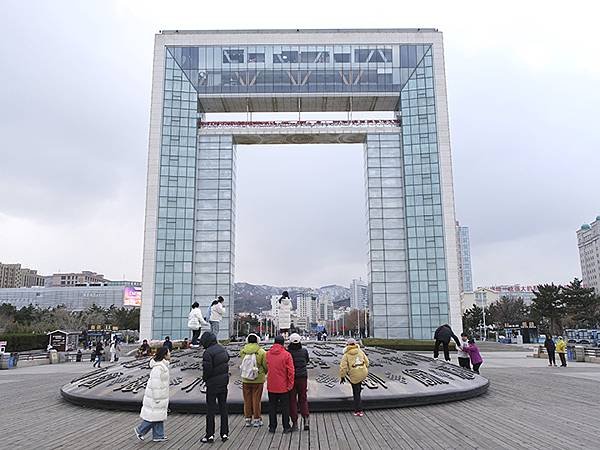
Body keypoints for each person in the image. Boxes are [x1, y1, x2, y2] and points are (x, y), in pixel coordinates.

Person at [134, 347, 170, 442]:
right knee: (153, 416)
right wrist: (157, 397)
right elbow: (155, 383)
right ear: (164, 354)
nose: (170, 354)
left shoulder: (163, 365)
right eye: (168, 353)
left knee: (159, 416)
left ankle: (158, 435)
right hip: (156, 396)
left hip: (161, 395)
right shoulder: (158, 367)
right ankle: (140, 430)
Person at [200, 331, 230, 443]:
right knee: (223, 409)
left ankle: (210, 435)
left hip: (212, 385)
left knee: (210, 410)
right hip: (223, 384)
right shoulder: (223, 349)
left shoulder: (208, 353)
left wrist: (205, 379)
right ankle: (225, 434)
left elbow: (207, 370)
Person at [266, 335, 295, 433]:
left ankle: (272, 427)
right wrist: (290, 384)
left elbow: (267, 367)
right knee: (285, 407)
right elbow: (291, 371)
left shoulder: (268, 354)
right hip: (283, 386)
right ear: (283, 343)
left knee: (272, 407)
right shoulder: (286, 355)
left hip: (271, 385)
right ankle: (286, 427)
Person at [239, 333, 268, 427]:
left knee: (247, 400)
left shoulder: (243, 351)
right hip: (258, 379)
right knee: (256, 400)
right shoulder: (262, 352)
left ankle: (247, 419)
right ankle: (257, 419)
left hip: (246, 379)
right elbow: (265, 366)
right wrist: (263, 372)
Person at [339, 338, 369, 417]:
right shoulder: (360, 351)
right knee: (358, 389)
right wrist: (363, 368)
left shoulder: (346, 355)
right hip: (363, 373)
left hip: (354, 375)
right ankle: (359, 408)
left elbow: (343, 367)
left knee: (356, 393)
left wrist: (342, 377)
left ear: (347, 345)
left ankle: (358, 410)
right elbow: (367, 362)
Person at [287, 333, 310, 431]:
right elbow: (307, 361)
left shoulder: (288, 353)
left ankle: (295, 423)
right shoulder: (304, 351)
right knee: (303, 399)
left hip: (291, 378)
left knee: (292, 400)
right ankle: (306, 419)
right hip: (303, 377)